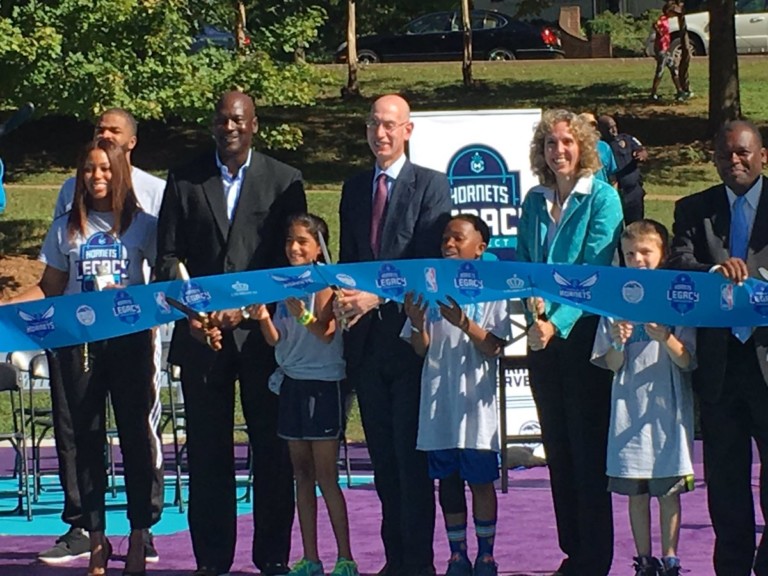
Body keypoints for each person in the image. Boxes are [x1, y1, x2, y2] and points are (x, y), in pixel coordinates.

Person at [155, 90, 304, 576]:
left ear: (254, 125)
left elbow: (294, 262)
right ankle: (212, 560)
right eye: (222, 120)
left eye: (239, 120)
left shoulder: (285, 181)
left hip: (263, 339)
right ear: (213, 125)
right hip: (203, 342)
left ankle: (273, 557)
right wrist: (192, 315)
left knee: (273, 453)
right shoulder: (183, 178)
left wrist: (251, 311)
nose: (230, 128)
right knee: (207, 453)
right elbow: (166, 259)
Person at [4, 139, 160, 576]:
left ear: (121, 172)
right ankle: (95, 538)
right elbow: (50, 287)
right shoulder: (65, 228)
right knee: (85, 444)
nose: (97, 177)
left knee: (134, 439)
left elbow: (158, 284)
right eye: (89, 169)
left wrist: (130, 297)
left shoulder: (143, 225)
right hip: (79, 349)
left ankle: (138, 536)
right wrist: (6, 309)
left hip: (129, 344)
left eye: (106, 169)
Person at [336, 93, 452, 576]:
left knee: (410, 462)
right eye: (373, 125)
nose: (380, 134)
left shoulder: (432, 186)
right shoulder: (354, 187)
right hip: (364, 346)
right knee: (382, 462)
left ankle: (418, 562)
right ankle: (393, 559)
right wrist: (343, 298)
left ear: (407, 130)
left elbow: (427, 263)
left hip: (411, 341)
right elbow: (348, 259)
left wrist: (375, 297)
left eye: (389, 125)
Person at [516, 108, 623, 576]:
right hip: (541, 339)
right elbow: (523, 266)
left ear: (582, 147)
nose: (558, 151)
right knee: (557, 450)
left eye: (566, 142)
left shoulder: (603, 199)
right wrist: (533, 316)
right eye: (550, 143)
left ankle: (594, 557)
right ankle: (571, 552)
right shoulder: (534, 202)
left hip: (583, 339)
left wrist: (555, 322)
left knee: (586, 451)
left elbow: (594, 274)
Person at [668, 120, 768, 576]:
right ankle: (731, 566)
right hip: (721, 368)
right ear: (714, 159)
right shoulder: (694, 209)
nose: (735, 161)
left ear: (762, 155)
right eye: (726, 155)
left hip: (767, 363)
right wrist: (713, 272)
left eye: (744, 153)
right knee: (725, 483)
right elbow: (679, 264)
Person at [249, 213, 358, 576]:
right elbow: (276, 339)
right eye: (289, 241)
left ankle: (345, 557)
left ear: (317, 248)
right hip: (292, 384)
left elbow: (327, 332)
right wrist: (264, 317)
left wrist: (305, 317)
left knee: (326, 475)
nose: (294, 248)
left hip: (323, 386)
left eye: (302, 242)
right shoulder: (283, 284)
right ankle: (310, 557)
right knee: (301, 474)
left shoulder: (325, 283)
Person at [401, 215, 510, 576]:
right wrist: (417, 324)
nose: (449, 244)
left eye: (458, 238)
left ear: (480, 248)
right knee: (447, 481)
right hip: (439, 401)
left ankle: (487, 554)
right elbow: (421, 347)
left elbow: (494, 346)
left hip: (475, 405)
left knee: (480, 480)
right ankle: (457, 554)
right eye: (445, 238)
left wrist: (466, 323)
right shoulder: (429, 286)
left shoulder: (493, 289)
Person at [592, 220, 695, 576]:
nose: (638, 260)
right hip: (628, 412)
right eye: (631, 253)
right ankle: (644, 559)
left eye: (646, 252)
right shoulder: (614, 301)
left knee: (668, 492)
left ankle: (670, 557)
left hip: (666, 412)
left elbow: (687, 360)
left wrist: (665, 336)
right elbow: (611, 363)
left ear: (662, 254)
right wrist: (619, 341)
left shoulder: (677, 297)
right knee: (636, 494)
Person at [597, 115, 648, 225]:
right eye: (609, 128)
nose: (614, 130)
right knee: (615, 226)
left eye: (614, 126)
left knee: (636, 226)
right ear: (600, 129)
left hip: (633, 192)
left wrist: (641, 155)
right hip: (616, 192)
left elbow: (642, 150)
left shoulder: (626, 139)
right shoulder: (602, 147)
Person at [650, 2, 686, 102]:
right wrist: (659, 33)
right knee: (660, 71)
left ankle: (680, 91)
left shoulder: (666, 20)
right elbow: (655, 24)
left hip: (666, 49)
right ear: (668, 11)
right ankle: (653, 93)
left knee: (673, 69)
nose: (674, 15)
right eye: (673, 12)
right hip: (661, 49)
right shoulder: (662, 19)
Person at [581, 113, 617, 185]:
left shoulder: (604, 147)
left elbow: (612, 177)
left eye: (594, 125)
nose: (591, 128)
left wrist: (613, 193)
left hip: (602, 193)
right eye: (588, 125)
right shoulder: (575, 148)